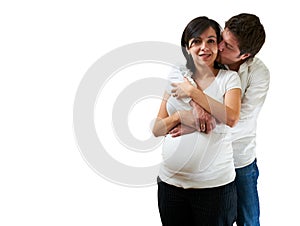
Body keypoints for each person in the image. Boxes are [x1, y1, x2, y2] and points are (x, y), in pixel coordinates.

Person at [172, 13, 270, 226]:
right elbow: (181, 75)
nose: (220, 47)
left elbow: (240, 119)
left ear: (245, 55)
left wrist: (194, 122)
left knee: (250, 221)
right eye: (222, 39)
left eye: (229, 46)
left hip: (239, 158)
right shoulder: (208, 56)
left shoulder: (258, 73)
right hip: (208, 161)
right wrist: (198, 106)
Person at [152, 16, 241, 226]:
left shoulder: (228, 79)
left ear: (219, 46)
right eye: (196, 42)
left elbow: (231, 117)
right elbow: (156, 129)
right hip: (170, 185)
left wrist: (192, 92)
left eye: (211, 40)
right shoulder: (175, 78)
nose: (204, 47)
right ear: (187, 48)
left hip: (214, 189)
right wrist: (181, 117)